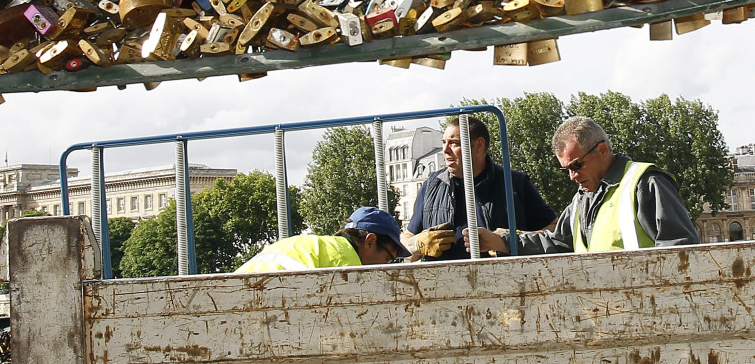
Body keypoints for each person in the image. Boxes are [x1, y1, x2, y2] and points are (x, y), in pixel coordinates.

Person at [475, 115, 698, 254]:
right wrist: (501, 242)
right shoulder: (582, 199)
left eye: (576, 165)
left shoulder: (646, 184)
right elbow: (556, 243)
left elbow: (680, 251)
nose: (572, 176)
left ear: (602, 150)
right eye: (567, 169)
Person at [402, 115, 555, 260]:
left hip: (504, 282)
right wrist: (416, 244)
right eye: (443, 142)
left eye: (454, 143)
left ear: (479, 145)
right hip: (443, 284)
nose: (445, 150)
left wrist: (510, 240)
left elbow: (554, 231)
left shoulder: (514, 183)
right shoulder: (431, 185)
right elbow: (405, 240)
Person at [232, 206, 408, 272]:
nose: (386, 267)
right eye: (387, 259)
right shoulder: (346, 264)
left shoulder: (313, 244)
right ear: (370, 241)